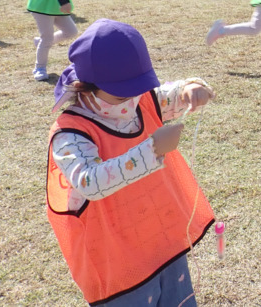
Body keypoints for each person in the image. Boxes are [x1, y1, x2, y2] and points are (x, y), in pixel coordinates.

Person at [46, 18, 215, 307]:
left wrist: (190, 89)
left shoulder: (141, 101)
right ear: (88, 86)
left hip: (161, 240)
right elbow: (90, 182)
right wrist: (151, 150)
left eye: (138, 87)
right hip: (116, 259)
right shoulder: (71, 133)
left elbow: (167, 96)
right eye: (123, 92)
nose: (133, 98)